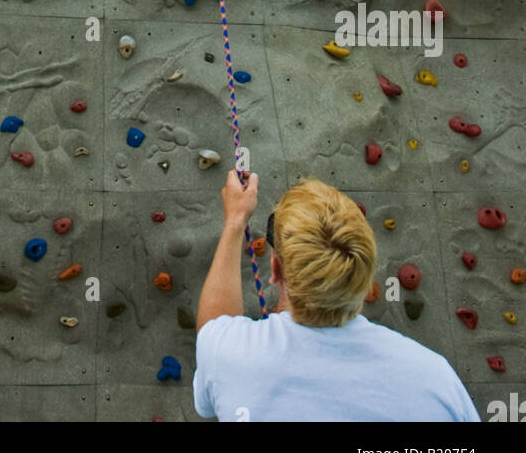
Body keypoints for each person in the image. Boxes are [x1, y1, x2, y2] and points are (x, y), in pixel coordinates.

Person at [193, 171, 481, 423]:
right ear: (364, 276)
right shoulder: (436, 379)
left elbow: (213, 328)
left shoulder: (227, 354)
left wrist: (235, 222)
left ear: (276, 269)